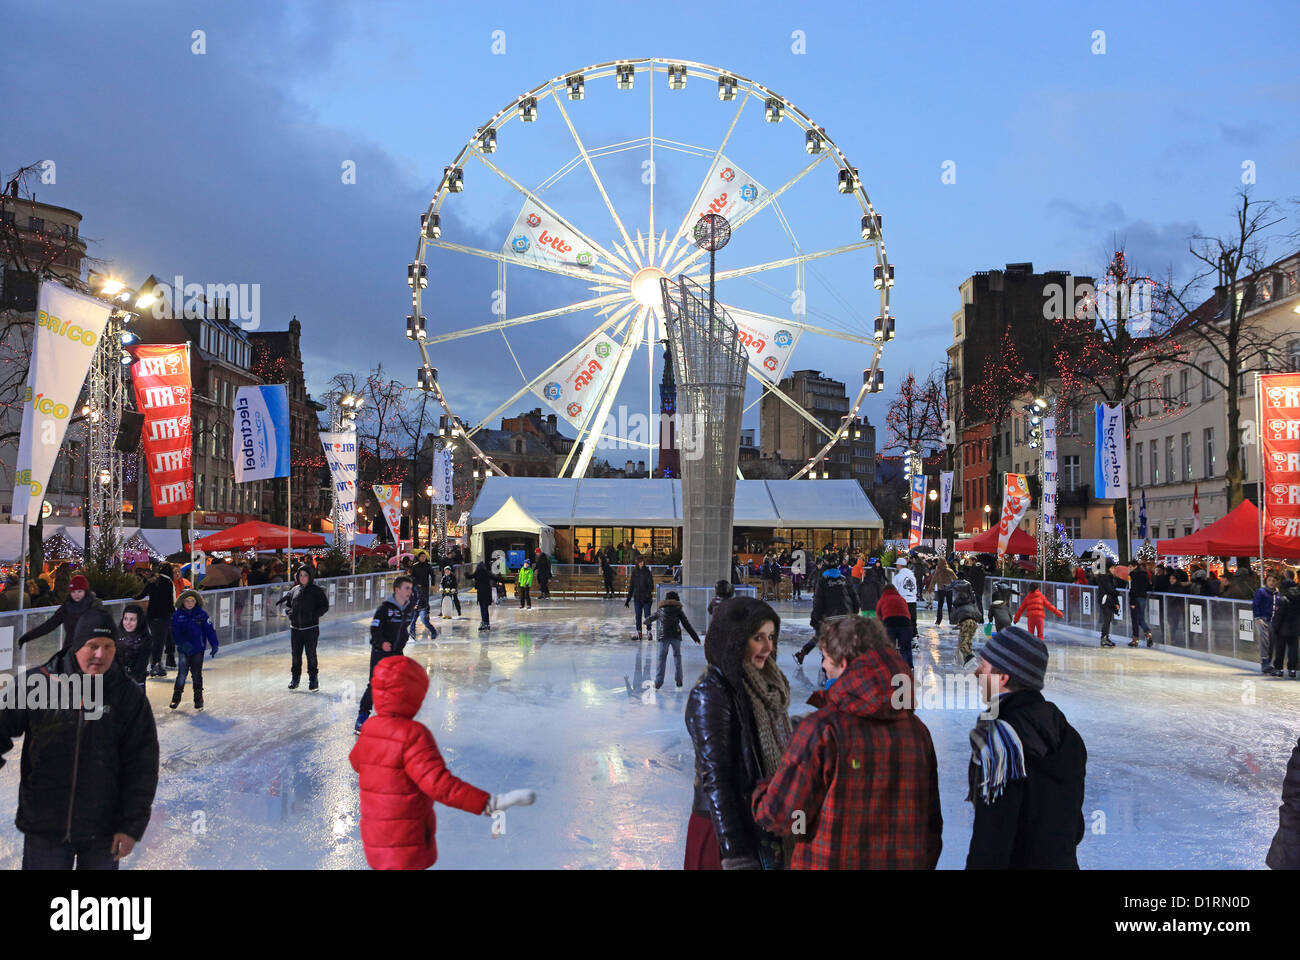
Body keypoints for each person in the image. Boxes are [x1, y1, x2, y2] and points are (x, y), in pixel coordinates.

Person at [752, 616, 943, 869]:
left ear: (843, 663)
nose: (823, 666)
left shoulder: (823, 729)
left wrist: (764, 787)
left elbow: (781, 816)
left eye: (825, 658)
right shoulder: (917, 732)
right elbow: (931, 827)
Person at [0, 609, 159, 870]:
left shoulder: (127, 696)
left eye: (108, 646)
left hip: (103, 830)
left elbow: (142, 763)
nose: (100, 654)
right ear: (76, 645)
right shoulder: (37, 683)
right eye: (92, 646)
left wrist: (131, 824)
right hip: (45, 826)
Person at [349, 654, 536, 869]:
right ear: (413, 695)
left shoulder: (370, 728)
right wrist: (488, 803)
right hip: (406, 841)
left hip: (375, 837)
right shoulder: (413, 735)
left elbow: (356, 762)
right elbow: (441, 786)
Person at [967, 626, 1087, 869]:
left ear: (1003, 678)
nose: (977, 673)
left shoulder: (999, 739)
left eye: (985, 666)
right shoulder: (1065, 732)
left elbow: (991, 840)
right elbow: (1075, 828)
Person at [684, 597, 790, 870]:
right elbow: (717, 778)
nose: (769, 647)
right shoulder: (712, 692)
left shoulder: (764, 686)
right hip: (724, 832)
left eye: (771, 637)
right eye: (758, 637)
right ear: (735, 639)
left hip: (758, 823)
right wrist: (736, 855)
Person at [356, 576, 415, 732]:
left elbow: (404, 628)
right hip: (380, 652)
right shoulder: (385, 608)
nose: (410, 591)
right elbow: (375, 628)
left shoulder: (409, 608)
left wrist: (403, 639)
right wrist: (382, 642)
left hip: (397, 653)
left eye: (410, 588)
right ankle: (362, 716)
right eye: (406, 588)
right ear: (397, 590)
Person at [16, 574, 104, 654]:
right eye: (73, 592)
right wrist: (27, 637)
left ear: (85, 591)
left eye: (79, 591)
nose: (76, 595)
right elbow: (49, 625)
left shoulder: (95, 606)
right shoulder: (67, 606)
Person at [277, 564, 330, 690]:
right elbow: (288, 605)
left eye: (305, 575)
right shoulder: (294, 590)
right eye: (300, 575)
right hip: (295, 629)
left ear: (310, 576)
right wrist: (289, 613)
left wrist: (313, 615)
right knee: (296, 656)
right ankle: (295, 679)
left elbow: (324, 606)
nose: (303, 578)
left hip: (310, 629)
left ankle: (313, 679)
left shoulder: (316, 591)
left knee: (311, 655)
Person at [796, 562, 859, 665]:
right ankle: (844, 662)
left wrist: (817, 618)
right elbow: (854, 597)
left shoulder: (822, 581)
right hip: (846, 616)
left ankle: (826, 663)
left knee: (824, 639)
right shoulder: (844, 579)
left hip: (829, 618)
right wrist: (854, 613)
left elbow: (818, 602)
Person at [170, 589, 218, 711]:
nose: (190, 603)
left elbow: (210, 630)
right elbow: (175, 633)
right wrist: (183, 645)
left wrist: (214, 644)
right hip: (184, 650)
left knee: (197, 674)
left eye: (192, 601)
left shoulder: (202, 614)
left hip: (197, 649)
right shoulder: (177, 615)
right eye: (187, 601)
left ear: (196, 602)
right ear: (182, 602)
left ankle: (198, 699)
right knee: (182, 674)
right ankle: (176, 698)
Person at [646, 590, 701, 689]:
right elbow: (686, 624)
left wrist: (646, 621)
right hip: (676, 636)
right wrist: (695, 637)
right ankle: (679, 680)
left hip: (664, 636)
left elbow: (652, 617)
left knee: (661, 659)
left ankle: (658, 682)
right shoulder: (678, 610)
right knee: (677, 657)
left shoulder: (661, 609)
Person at [135, 563, 176, 676]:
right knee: (159, 641)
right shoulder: (168, 582)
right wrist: (174, 612)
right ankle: (155, 665)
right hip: (163, 616)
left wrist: (130, 596)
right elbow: (171, 601)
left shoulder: (152, 581)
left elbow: (141, 595)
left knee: (158, 639)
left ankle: (161, 662)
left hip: (151, 615)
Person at [876, 580, 915, 669]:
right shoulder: (901, 599)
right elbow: (908, 614)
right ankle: (908, 667)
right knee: (906, 648)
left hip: (889, 624)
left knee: (889, 648)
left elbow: (878, 616)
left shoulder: (882, 600)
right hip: (905, 624)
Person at [115, 604, 152, 689]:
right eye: (125, 619)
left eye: (132, 620)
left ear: (139, 620)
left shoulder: (145, 638)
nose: (128, 623)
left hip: (136, 682)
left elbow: (141, 664)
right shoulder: (116, 634)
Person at [1271, 575, 1300, 680]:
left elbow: (1279, 616)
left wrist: (1274, 627)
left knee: (1280, 650)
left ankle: (1279, 669)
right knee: (1293, 650)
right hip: (1295, 628)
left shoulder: (1283, 599)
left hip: (1283, 629)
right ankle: (1292, 670)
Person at [951, 576, 982, 667]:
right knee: (968, 641)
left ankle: (969, 657)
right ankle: (966, 659)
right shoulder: (972, 603)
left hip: (965, 623)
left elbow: (952, 619)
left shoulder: (957, 605)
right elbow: (979, 615)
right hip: (974, 623)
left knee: (962, 643)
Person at [407, 552, 438, 640]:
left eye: (424, 557)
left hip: (425, 587)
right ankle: (412, 631)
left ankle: (426, 615)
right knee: (413, 616)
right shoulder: (415, 566)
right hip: (416, 586)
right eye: (422, 557)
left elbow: (432, 574)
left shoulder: (428, 566)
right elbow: (412, 576)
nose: (423, 558)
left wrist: (432, 584)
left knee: (424, 601)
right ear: (419, 557)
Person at [625, 556, 655, 640]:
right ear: (637, 563)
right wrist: (628, 600)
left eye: (642, 561)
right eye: (639, 562)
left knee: (647, 615)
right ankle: (639, 633)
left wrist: (647, 595)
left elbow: (651, 586)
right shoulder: (635, 572)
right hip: (637, 598)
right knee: (638, 616)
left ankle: (649, 632)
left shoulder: (647, 572)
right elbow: (632, 587)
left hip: (646, 599)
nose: (641, 563)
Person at [1256, 574, 1281, 675]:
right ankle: (1265, 663)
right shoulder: (1261, 592)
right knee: (1265, 642)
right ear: (1266, 581)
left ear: (1276, 582)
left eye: (1273, 581)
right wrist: (1258, 618)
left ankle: (1268, 663)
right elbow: (1255, 605)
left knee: (1271, 643)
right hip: (1262, 620)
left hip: (1273, 621)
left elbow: (1278, 604)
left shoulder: (1277, 593)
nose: (1271, 582)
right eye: (1269, 580)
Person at [1127, 561, 1155, 646]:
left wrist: (1132, 601)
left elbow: (1133, 588)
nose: (1129, 568)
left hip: (1135, 599)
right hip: (1143, 598)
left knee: (1135, 620)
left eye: (1130, 567)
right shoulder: (1145, 574)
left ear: (1135, 566)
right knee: (1141, 618)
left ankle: (1135, 640)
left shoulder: (1133, 574)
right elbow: (1148, 586)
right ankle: (1148, 634)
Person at [1097, 565, 1121, 648]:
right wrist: (1117, 593)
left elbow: (1111, 590)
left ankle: (1106, 637)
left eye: (1114, 568)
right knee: (1107, 620)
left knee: (1108, 619)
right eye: (1112, 568)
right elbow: (1110, 589)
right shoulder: (1106, 577)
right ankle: (1104, 638)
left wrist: (1116, 602)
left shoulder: (1110, 577)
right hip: (1106, 601)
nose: (1114, 570)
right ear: (1108, 569)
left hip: (1109, 601)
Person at [928, 556, 956, 625]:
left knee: (940, 605)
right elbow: (955, 579)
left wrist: (930, 588)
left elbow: (933, 580)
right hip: (949, 589)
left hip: (941, 589)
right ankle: (951, 619)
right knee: (950, 605)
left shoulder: (938, 571)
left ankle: (938, 620)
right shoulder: (949, 570)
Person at [892, 557, 918, 629]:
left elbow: (894, 590)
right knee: (912, 618)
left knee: (903, 618)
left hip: (902, 600)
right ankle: (914, 633)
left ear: (899, 565)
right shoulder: (912, 576)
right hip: (912, 599)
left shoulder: (897, 577)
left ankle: (904, 634)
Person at [470, 562, 494, 631]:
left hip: (481, 595)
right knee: (485, 609)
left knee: (483, 609)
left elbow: (476, 586)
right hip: (487, 595)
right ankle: (486, 623)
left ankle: (484, 623)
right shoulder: (487, 574)